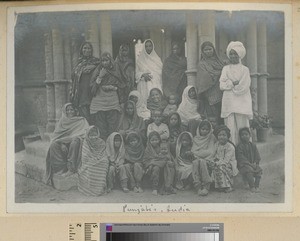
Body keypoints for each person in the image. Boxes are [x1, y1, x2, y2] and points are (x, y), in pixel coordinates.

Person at [45, 103, 89, 185]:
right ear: (65, 112)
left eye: (71, 109)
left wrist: (69, 140)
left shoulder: (81, 120)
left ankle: (71, 169)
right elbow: (56, 136)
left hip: (76, 144)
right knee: (54, 145)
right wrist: (62, 143)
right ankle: (60, 168)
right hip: (64, 144)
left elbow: (84, 134)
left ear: (75, 111)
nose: (69, 112)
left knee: (75, 140)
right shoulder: (62, 122)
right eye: (67, 110)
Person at [219, 41, 253, 145]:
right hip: (229, 101)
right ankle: (231, 149)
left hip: (242, 100)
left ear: (240, 55)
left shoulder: (245, 70)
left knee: (242, 125)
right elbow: (221, 85)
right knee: (230, 126)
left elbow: (244, 86)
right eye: (231, 54)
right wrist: (232, 84)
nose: (233, 56)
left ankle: (245, 150)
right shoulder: (225, 69)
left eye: (235, 54)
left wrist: (230, 85)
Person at [90, 52, 125, 140]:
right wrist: (100, 77)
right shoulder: (98, 70)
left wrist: (113, 87)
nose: (105, 63)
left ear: (110, 60)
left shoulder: (116, 70)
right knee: (101, 125)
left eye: (107, 60)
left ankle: (112, 143)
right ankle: (103, 144)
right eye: (103, 61)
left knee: (112, 125)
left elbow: (122, 84)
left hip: (112, 101)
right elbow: (91, 87)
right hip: (99, 100)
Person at [70, 42, 100, 123]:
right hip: (81, 91)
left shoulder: (97, 62)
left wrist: (93, 67)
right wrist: (82, 70)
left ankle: (94, 130)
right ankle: (86, 130)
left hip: (93, 90)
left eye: (89, 48)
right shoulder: (79, 63)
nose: (87, 50)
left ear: (91, 50)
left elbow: (102, 71)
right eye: (85, 48)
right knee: (83, 111)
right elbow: (73, 75)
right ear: (81, 50)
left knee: (94, 111)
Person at [196, 41, 225, 124]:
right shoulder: (202, 64)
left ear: (213, 49)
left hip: (223, 92)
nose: (208, 51)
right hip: (210, 94)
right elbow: (204, 78)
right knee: (214, 117)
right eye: (206, 50)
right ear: (202, 51)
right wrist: (218, 74)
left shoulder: (219, 61)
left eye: (210, 49)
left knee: (223, 115)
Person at [77, 126, 109, 196]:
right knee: (90, 167)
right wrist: (93, 159)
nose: (93, 137)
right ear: (88, 135)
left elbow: (103, 152)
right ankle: (90, 189)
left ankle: (99, 189)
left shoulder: (101, 142)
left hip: (99, 159)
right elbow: (85, 155)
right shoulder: (86, 142)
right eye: (91, 135)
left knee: (104, 162)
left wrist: (98, 158)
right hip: (89, 160)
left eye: (95, 135)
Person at [209, 125, 239, 193]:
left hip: (229, 163)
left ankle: (229, 186)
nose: (221, 137)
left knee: (221, 167)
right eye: (219, 135)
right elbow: (213, 154)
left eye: (224, 135)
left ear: (228, 136)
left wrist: (217, 163)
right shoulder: (217, 144)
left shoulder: (230, 147)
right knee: (214, 166)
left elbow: (226, 160)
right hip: (219, 162)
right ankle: (221, 186)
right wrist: (212, 161)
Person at [191, 120, 215, 196]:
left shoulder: (211, 137)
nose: (205, 131)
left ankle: (206, 186)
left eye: (207, 129)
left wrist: (199, 153)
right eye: (203, 129)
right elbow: (193, 151)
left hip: (209, 159)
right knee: (195, 162)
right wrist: (201, 153)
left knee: (202, 162)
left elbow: (211, 151)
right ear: (199, 129)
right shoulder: (195, 138)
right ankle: (197, 186)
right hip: (197, 159)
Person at [135, 39, 163, 104]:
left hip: (155, 84)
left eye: (150, 46)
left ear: (152, 47)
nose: (148, 48)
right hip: (144, 84)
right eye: (146, 46)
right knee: (145, 102)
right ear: (144, 48)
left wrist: (153, 75)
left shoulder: (157, 59)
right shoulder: (140, 60)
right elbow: (136, 74)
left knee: (155, 103)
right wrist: (143, 75)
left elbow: (161, 72)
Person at [236, 127, 262, 192]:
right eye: (242, 135)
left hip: (252, 163)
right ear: (240, 137)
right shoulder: (240, 146)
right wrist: (250, 164)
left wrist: (256, 163)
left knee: (259, 170)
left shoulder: (253, 145)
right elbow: (241, 158)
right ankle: (252, 186)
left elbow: (257, 155)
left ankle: (257, 186)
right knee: (249, 170)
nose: (244, 136)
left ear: (250, 135)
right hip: (244, 165)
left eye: (246, 134)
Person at [144, 131, 167, 195]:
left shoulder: (162, 147)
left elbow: (165, 157)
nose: (154, 142)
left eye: (156, 140)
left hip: (161, 166)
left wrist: (153, 162)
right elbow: (145, 160)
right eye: (152, 140)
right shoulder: (147, 149)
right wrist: (151, 163)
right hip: (151, 168)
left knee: (157, 167)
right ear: (149, 140)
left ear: (159, 140)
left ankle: (161, 186)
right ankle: (155, 188)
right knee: (156, 168)